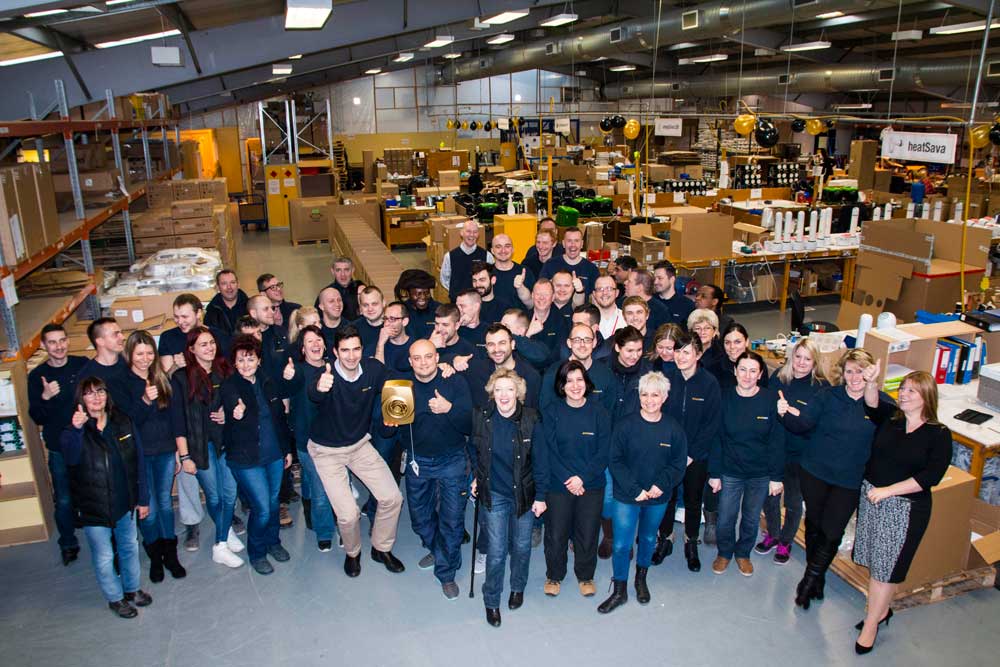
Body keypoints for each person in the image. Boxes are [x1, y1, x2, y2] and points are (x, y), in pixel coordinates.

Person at [779, 349, 891, 609]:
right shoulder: (828, 396)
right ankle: (817, 579)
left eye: (861, 372)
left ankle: (807, 582)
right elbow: (804, 423)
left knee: (832, 531)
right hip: (815, 472)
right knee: (815, 525)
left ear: (871, 373)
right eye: (849, 371)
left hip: (849, 480)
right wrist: (784, 413)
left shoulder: (880, 404)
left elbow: (890, 435)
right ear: (842, 373)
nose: (854, 377)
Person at [852, 368, 951, 655]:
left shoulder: (938, 435)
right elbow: (871, 403)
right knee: (876, 560)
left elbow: (929, 477)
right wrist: (871, 382)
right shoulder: (893, 419)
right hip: (873, 499)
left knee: (885, 569)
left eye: (910, 391)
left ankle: (871, 623)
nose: (903, 394)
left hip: (903, 509)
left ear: (926, 398)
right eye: (902, 389)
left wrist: (888, 491)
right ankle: (881, 611)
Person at [307, 326, 406, 578]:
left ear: (363, 349)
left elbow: (395, 381)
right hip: (326, 451)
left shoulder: (373, 369)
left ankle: (380, 548)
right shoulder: (325, 374)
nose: (351, 356)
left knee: (392, 498)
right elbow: (314, 394)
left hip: (359, 444)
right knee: (348, 515)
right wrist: (320, 387)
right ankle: (353, 553)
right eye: (345, 350)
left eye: (356, 349)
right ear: (335, 352)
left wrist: (395, 414)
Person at [61, 376, 152, 619]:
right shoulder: (75, 429)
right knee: (104, 555)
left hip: (125, 501)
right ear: (81, 399)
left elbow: (139, 461)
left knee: (129, 547)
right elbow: (69, 457)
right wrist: (77, 429)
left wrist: (142, 499)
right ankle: (115, 598)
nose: (96, 397)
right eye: (90, 393)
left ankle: (132, 589)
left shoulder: (122, 422)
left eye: (100, 391)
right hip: (94, 507)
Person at [599, 371, 688, 613]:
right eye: (645, 394)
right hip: (628, 496)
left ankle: (641, 579)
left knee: (648, 539)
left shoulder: (673, 429)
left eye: (655, 395)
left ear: (665, 397)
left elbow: (678, 464)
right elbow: (615, 460)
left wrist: (660, 486)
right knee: (621, 544)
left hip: (658, 496)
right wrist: (634, 489)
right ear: (639, 396)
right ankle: (619, 590)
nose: (650, 400)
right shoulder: (625, 426)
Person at [395, 339, 472, 599]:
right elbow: (390, 429)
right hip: (418, 462)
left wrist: (449, 409)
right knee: (419, 518)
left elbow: (470, 424)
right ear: (410, 361)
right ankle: (440, 549)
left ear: (437, 357)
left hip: (452, 460)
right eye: (417, 358)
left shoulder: (454, 382)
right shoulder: (402, 388)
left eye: (428, 356)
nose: (423, 362)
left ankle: (446, 572)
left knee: (452, 520)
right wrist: (389, 422)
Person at [471, 367, 547, 627]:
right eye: (499, 389)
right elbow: (474, 450)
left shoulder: (531, 419)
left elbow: (541, 461)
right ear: (492, 393)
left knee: (522, 546)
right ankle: (491, 600)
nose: (504, 395)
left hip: (524, 493)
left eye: (509, 389)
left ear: (519, 393)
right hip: (495, 493)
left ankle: (518, 587)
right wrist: (475, 476)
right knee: (496, 551)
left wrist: (541, 496)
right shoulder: (482, 417)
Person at [170, 326, 245, 568]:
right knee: (214, 495)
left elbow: (238, 401)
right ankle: (223, 540)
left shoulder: (225, 371)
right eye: (203, 344)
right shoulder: (181, 378)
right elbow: (177, 420)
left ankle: (222, 537)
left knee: (229, 492)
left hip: (226, 442)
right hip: (199, 447)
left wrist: (228, 412)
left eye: (212, 342)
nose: (210, 348)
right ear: (191, 349)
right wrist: (185, 456)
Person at [220, 336, 293, 575]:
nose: (245, 364)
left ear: (258, 360)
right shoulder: (230, 386)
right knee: (261, 507)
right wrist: (235, 411)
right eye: (240, 360)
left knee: (273, 503)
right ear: (234, 363)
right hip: (245, 458)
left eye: (250, 358)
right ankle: (257, 552)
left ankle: (273, 542)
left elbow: (280, 419)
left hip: (273, 454)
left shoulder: (267, 381)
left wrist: (287, 450)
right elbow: (232, 405)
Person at [709, 351, 784, 578]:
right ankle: (724, 553)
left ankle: (743, 554)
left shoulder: (771, 400)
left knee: (751, 519)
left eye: (753, 371)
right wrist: (714, 473)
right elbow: (716, 438)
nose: (748, 375)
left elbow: (777, 441)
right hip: (731, 471)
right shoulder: (724, 398)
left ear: (760, 374)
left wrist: (776, 477)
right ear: (735, 371)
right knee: (726, 518)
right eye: (743, 369)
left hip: (759, 474)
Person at [539, 360, 610, 599]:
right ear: (561, 385)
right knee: (556, 533)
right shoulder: (551, 412)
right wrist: (570, 478)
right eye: (569, 381)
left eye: (579, 379)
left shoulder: (599, 412)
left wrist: (582, 478)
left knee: (588, 532)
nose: (575, 385)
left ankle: (585, 575)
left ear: (587, 382)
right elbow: (548, 450)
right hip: (559, 484)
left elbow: (604, 452)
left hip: (591, 484)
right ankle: (554, 575)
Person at [756, 338, 829, 565]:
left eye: (808, 358)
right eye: (798, 356)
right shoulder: (779, 377)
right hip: (775, 449)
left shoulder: (821, 387)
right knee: (770, 496)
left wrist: (794, 413)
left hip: (801, 453)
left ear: (815, 361)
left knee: (794, 501)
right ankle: (773, 534)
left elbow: (816, 424)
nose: (801, 362)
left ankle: (786, 541)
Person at [654, 332, 722, 571]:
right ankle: (665, 538)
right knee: (667, 497)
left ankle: (691, 541)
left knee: (693, 500)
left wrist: (691, 454)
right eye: (677, 351)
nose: (680, 356)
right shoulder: (667, 378)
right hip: (668, 453)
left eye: (686, 352)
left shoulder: (709, 383)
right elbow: (658, 414)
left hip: (697, 455)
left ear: (698, 355)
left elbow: (711, 424)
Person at [124, 330, 187, 583]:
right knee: (146, 509)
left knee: (164, 503)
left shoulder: (162, 379)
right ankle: (155, 556)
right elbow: (127, 422)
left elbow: (174, 419)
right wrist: (143, 400)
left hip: (164, 452)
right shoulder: (124, 383)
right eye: (139, 353)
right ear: (129, 355)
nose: (145, 358)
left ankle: (170, 554)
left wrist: (179, 452)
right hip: (139, 456)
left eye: (150, 353)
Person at [27, 323, 88, 565]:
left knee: (93, 491)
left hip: (86, 442)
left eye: (62, 340)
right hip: (59, 447)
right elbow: (37, 416)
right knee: (63, 498)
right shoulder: (36, 377)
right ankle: (68, 543)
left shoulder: (81, 365)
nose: (59, 346)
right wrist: (45, 397)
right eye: (52, 342)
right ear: (43, 346)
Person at [282, 324, 337, 552]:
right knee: (322, 488)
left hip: (335, 439)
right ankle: (324, 533)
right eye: (309, 342)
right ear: (302, 349)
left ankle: (313, 513)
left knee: (316, 482)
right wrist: (288, 376)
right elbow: (288, 384)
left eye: (318, 339)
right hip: (308, 442)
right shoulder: (298, 371)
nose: (315, 344)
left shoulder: (335, 368)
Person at [541, 323, 616, 415]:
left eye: (587, 340)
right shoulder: (553, 373)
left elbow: (610, 413)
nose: (582, 344)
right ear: (569, 343)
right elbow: (545, 412)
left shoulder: (606, 374)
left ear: (594, 343)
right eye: (577, 340)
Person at [462, 323, 541, 410]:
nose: (496, 349)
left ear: (512, 345)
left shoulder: (531, 376)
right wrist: (453, 359)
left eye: (502, 343)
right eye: (491, 344)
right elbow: (448, 363)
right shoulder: (477, 370)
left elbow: (534, 415)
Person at [80, 318, 131, 407]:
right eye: (115, 334)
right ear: (100, 341)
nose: (123, 337)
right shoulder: (87, 376)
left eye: (121, 333)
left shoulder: (130, 363)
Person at [441, 220, 492, 303]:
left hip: (479, 303)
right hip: (457, 304)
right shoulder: (450, 256)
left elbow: (490, 280)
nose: (471, 235)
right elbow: (445, 279)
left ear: (478, 234)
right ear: (461, 233)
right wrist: (456, 292)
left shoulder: (487, 256)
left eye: (475, 232)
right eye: (468, 231)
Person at [539, 227, 599, 297]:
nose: (573, 245)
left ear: (582, 244)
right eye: (569, 241)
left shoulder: (592, 269)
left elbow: (595, 296)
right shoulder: (550, 265)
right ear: (563, 243)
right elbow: (541, 291)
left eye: (576, 241)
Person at [712, 323, 768, 389]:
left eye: (737, 342)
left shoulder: (758, 365)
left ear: (747, 342)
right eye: (727, 342)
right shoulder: (714, 368)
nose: (732, 347)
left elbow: (763, 392)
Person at [526, 279, 567, 369]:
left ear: (553, 297)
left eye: (545, 294)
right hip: (527, 370)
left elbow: (560, 353)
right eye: (538, 294)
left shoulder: (561, 321)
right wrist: (528, 334)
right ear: (532, 295)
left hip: (551, 370)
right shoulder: (523, 319)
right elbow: (517, 352)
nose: (541, 297)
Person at [488, 234, 535, 311]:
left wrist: (521, 288)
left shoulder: (524, 272)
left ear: (512, 249)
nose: (503, 250)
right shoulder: (486, 274)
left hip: (519, 321)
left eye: (507, 246)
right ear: (492, 250)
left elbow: (531, 305)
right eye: (498, 247)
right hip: (492, 322)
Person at [248, 293, 288, 382]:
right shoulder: (244, 339)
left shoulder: (283, 333)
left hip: (284, 390)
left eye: (272, 308)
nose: (272, 312)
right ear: (253, 313)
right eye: (266, 309)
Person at [623, 269, 671, 334]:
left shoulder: (660, 311)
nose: (625, 283)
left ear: (639, 287)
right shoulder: (620, 304)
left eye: (629, 281)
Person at [204, 269, 248, 337]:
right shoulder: (211, 312)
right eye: (224, 283)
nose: (229, 287)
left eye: (232, 282)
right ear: (218, 287)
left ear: (238, 284)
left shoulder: (250, 307)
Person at [396, 269, 439, 338]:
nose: (423, 297)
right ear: (409, 293)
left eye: (426, 293)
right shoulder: (400, 311)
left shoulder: (439, 309)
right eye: (418, 294)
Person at [652, 260, 695, 328]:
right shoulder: (650, 302)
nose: (655, 282)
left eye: (660, 278)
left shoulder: (687, 304)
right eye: (654, 278)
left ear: (672, 279)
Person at [320, 256, 362, 322]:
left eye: (346, 270)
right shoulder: (325, 294)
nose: (343, 274)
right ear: (332, 271)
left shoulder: (361, 290)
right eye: (338, 270)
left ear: (353, 270)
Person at [375, 301, 413, 373]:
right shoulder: (378, 346)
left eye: (392, 319)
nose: (386, 324)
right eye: (385, 319)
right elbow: (377, 377)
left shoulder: (414, 346)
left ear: (405, 321)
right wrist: (380, 345)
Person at [688, 308, 724, 380]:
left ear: (715, 332)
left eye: (707, 328)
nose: (702, 332)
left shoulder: (722, 355)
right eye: (698, 328)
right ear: (691, 332)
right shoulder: (684, 353)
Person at [352, 286, 386, 357]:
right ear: (360, 307)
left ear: (383, 303)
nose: (370, 309)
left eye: (374, 304)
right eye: (365, 305)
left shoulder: (394, 325)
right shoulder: (353, 329)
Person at [591, 274, 626, 340]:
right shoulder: (587, 319)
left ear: (617, 293)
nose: (604, 293)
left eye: (609, 288)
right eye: (600, 289)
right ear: (594, 294)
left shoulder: (626, 318)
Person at [316, 287, 345, 353]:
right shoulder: (315, 331)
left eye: (339, 300)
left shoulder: (352, 328)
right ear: (321, 306)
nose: (337, 304)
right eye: (331, 301)